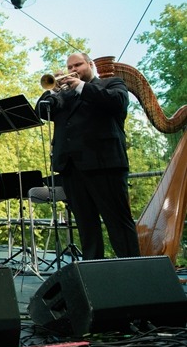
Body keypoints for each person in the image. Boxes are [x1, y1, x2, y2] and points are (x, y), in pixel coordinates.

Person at [35, 52, 139, 260]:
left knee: (118, 222)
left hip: (104, 165)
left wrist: (81, 87)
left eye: (78, 65)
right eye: (70, 67)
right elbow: (40, 112)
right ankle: (94, 273)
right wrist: (52, 92)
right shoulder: (63, 96)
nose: (73, 70)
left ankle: (133, 269)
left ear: (90, 65)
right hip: (71, 167)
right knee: (86, 226)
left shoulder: (111, 84)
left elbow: (117, 103)